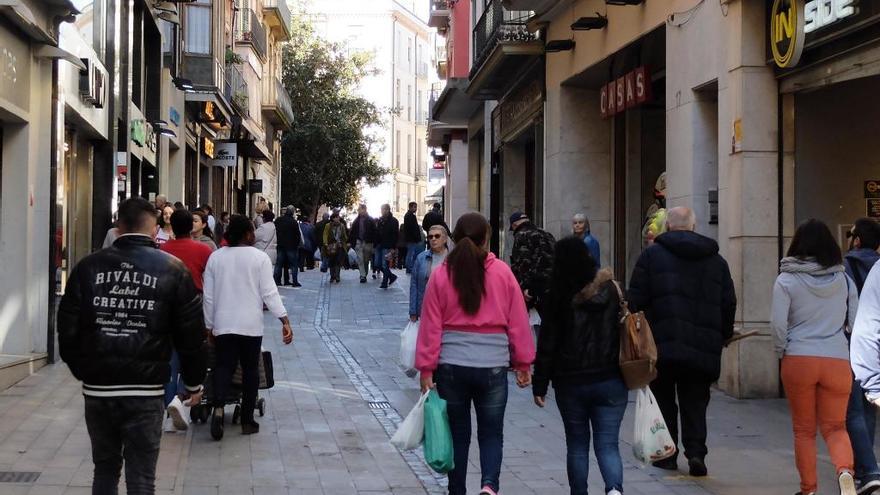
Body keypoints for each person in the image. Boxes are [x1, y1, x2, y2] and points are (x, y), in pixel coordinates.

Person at [57, 198, 206, 494]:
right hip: (145, 390)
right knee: (141, 478)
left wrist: (87, 370)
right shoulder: (173, 269)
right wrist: (194, 382)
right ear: (154, 231)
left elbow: (67, 330)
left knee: (105, 469)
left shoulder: (88, 267)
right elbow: (190, 335)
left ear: (118, 225)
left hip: (100, 390)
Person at [416, 212, 534, 495]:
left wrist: (426, 368)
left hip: (451, 365)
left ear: (454, 238)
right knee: (492, 432)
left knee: (458, 433)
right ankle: (489, 486)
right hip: (493, 365)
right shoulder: (503, 273)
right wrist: (523, 362)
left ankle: (457, 489)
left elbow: (430, 324)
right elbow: (518, 320)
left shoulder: (442, 274)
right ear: (486, 239)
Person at [627, 206, 736, 476]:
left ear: (667, 227)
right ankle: (696, 452)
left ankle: (668, 453)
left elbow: (636, 300)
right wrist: (723, 333)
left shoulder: (651, 256)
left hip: (662, 344)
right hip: (702, 344)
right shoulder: (716, 261)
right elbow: (728, 302)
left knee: (664, 398)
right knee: (696, 400)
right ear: (694, 226)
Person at [772, 219, 859, 495]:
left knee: (804, 430)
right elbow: (856, 321)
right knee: (836, 427)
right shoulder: (844, 280)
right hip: (837, 359)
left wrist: (780, 351)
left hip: (799, 358)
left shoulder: (786, 279)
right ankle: (845, 472)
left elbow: (777, 324)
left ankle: (808, 489)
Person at [533, 237, 625, 495]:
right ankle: (615, 490)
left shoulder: (557, 295)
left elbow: (547, 343)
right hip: (610, 378)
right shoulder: (611, 290)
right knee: (608, 444)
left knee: (577, 444)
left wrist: (539, 384)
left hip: (571, 380)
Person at [203, 215, 293, 439]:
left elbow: (209, 297)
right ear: (246, 234)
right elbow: (269, 292)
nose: (255, 234)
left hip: (223, 324)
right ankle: (246, 420)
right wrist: (283, 319)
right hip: (250, 325)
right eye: (252, 231)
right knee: (250, 370)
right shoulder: (259, 258)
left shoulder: (216, 258)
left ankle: (219, 407)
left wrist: (209, 326)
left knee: (223, 367)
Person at [159, 209, 214, 431]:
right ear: (191, 227)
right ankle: (182, 398)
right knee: (191, 355)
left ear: (171, 225)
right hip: (193, 306)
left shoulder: (162, 250)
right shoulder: (203, 250)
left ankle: (169, 404)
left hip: (167, 307)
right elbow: (210, 283)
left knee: (170, 359)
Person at [844, 219, 880, 493]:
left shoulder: (847, 266)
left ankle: (866, 469)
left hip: (857, 345)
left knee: (856, 410)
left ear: (856, 240)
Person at [509, 212, 556, 322]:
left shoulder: (521, 235)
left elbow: (523, 264)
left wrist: (526, 287)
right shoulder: (547, 234)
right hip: (552, 286)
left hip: (534, 289)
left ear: (514, 225)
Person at [409, 225, 449, 321]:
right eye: (430, 237)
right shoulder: (421, 258)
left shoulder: (454, 258)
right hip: (426, 307)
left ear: (445, 239)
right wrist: (413, 311)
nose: (433, 239)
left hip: (447, 308)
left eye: (437, 236)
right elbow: (414, 284)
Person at [275, 206, 303, 287]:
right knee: (293, 264)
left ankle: (277, 281)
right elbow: (298, 235)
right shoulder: (293, 222)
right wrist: (297, 245)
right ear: (293, 212)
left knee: (279, 264)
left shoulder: (278, 220)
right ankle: (294, 281)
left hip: (280, 245)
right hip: (291, 246)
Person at [350, 204, 378, 283]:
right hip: (358, 242)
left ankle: (364, 274)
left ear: (364, 209)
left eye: (359, 209)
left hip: (368, 242)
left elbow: (375, 232)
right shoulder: (356, 221)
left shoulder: (371, 220)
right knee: (360, 259)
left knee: (366, 260)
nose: (358, 211)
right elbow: (352, 232)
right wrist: (351, 242)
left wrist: (374, 244)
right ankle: (362, 275)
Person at [377, 204, 400, 289]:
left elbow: (395, 235)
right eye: (381, 209)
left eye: (383, 209)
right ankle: (391, 276)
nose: (382, 211)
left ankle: (384, 282)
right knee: (377, 264)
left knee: (384, 264)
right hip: (380, 244)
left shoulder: (393, 221)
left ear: (388, 210)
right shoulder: (381, 220)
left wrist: (393, 247)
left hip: (388, 245)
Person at [323, 212, 348, 284]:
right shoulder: (328, 225)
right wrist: (325, 243)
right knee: (331, 261)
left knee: (338, 261)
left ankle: (337, 276)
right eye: (336, 217)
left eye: (338, 217)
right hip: (331, 246)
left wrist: (346, 242)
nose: (338, 218)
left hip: (339, 246)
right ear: (333, 218)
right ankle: (332, 276)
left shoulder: (342, 226)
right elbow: (325, 234)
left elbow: (344, 235)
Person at [404, 202, 424, 273]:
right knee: (411, 254)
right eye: (414, 207)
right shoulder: (410, 216)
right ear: (410, 207)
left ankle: (409, 268)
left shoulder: (408, 215)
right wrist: (417, 238)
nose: (416, 209)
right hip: (412, 239)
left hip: (410, 239)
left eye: (416, 207)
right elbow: (413, 229)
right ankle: (409, 268)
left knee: (411, 253)